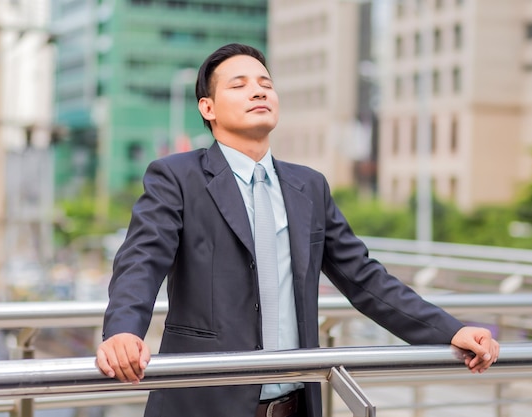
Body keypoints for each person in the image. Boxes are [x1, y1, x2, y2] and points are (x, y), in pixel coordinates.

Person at [96, 43, 499, 417]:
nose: (258, 92)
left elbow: (364, 278)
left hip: (294, 406)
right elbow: (142, 260)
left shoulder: (308, 186)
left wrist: (452, 329)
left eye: (265, 84)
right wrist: (122, 332)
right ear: (208, 107)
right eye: (240, 85)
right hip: (204, 402)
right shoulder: (177, 176)